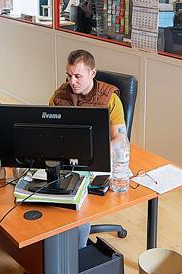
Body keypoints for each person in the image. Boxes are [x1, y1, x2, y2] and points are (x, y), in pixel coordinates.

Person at [49, 49, 126, 248]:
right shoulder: (60, 96)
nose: (72, 81)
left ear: (93, 73)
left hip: (97, 162)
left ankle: (77, 251)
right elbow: (49, 130)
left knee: (79, 202)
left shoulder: (110, 99)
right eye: (68, 75)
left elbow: (119, 138)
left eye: (78, 76)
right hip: (66, 158)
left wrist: (97, 155)